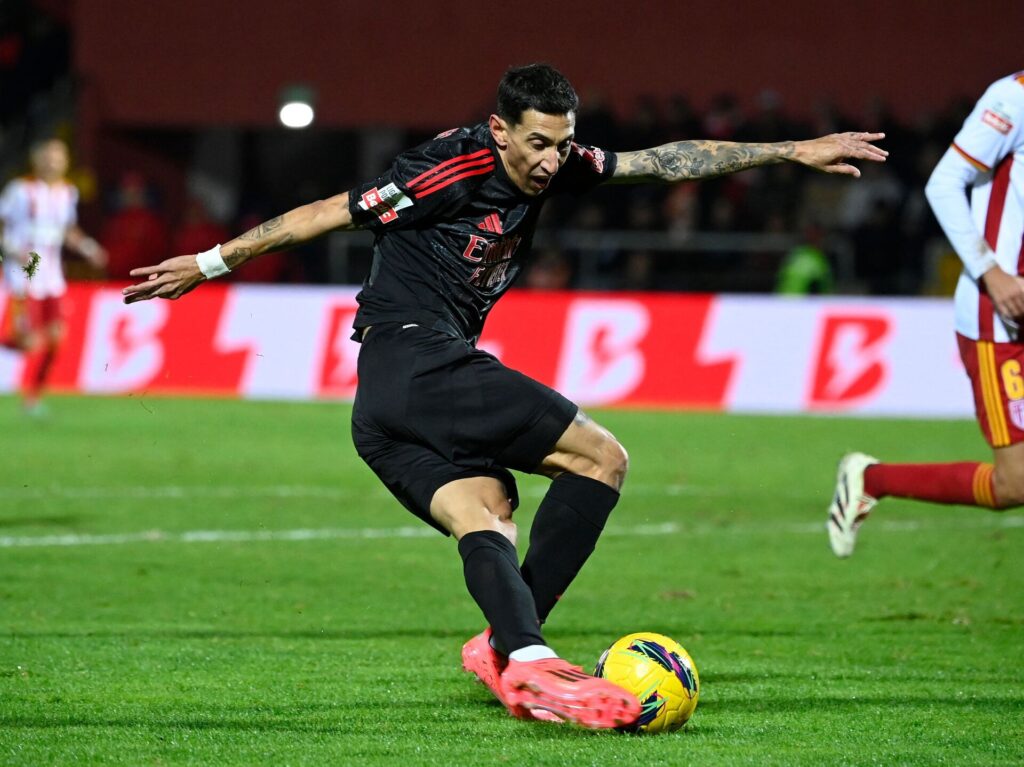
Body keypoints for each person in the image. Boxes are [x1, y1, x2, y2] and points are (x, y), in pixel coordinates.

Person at [122, 64, 886, 726]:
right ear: (499, 128)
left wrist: (790, 150)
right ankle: (526, 651)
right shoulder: (448, 166)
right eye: (537, 143)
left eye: (562, 142)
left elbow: (661, 162)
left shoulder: (562, 159)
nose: (552, 161)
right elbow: (330, 211)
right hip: (417, 359)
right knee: (601, 458)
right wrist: (213, 262)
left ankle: (514, 650)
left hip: (384, 409)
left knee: (485, 512)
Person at [827, 71, 1024, 558]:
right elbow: (943, 184)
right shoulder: (1014, 97)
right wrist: (991, 272)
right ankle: (873, 478)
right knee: (1015, 483)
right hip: (1003, 314)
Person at [0, 137, 107, 414]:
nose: (54, 162)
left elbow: (68, 231)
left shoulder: (67, 193)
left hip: (52, 276)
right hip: (25, 274)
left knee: (58, 339)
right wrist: (11, 248)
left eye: (59, 157)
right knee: (29, 341)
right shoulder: (20, 191)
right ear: (37, 160)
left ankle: (33, 398)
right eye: (49, 156)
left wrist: (90, 248)